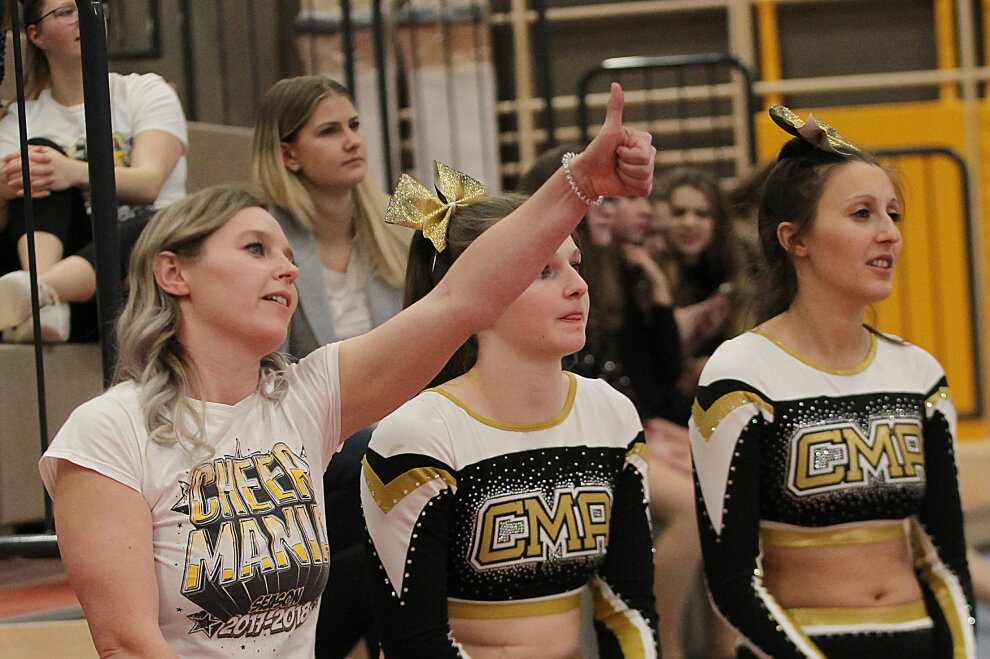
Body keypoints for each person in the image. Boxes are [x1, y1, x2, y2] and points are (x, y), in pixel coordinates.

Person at [37, 82, 656, 658]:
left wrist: (578, 185)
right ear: (175, 274)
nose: (288, 269)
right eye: (256, 248)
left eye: (287, 252)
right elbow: (129, 645)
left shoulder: (304, 398)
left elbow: (461, 299)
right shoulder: (107, 430)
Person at [689, 106, 976, 657]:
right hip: (798, 645)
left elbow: (945, 561)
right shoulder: (743, 374)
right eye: (863, 214)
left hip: (916, 639)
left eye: (893, 214)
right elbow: (732, 583)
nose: (889, 234)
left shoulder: (918, 374)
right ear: (795, 240)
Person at [362, 175, 658, 657]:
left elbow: (630, 606)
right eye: (544, 270)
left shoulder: (611, 413)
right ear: (480, 292)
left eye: (574, 265)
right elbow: (414, 643)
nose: (578, 287)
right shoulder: (418, 436)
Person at [251, 74, 410, 658]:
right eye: (329, 131)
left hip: (390, 435)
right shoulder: (263, 238)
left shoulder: (400, 230)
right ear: (287, 153)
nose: (351, 141)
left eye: (355, 126)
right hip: (313, 439)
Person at [0, 0, 186, 342]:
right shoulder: (20, 120)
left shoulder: (144, 91)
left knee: (162, 221)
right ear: (36, 35)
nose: (84, 19)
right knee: (35, 160)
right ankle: (48, 299)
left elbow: (149, 184)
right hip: (81, 280)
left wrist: (71, 171)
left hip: (145, 268)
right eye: (66, 12)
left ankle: (41, 292)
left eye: (89, 8)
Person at [657, 166, 753, 423]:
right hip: (667, 414)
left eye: (702, 214)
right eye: (679, 213)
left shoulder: (739, 273)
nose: (689, 223)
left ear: (719, 222)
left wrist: (713, 367)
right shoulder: (648, 273)